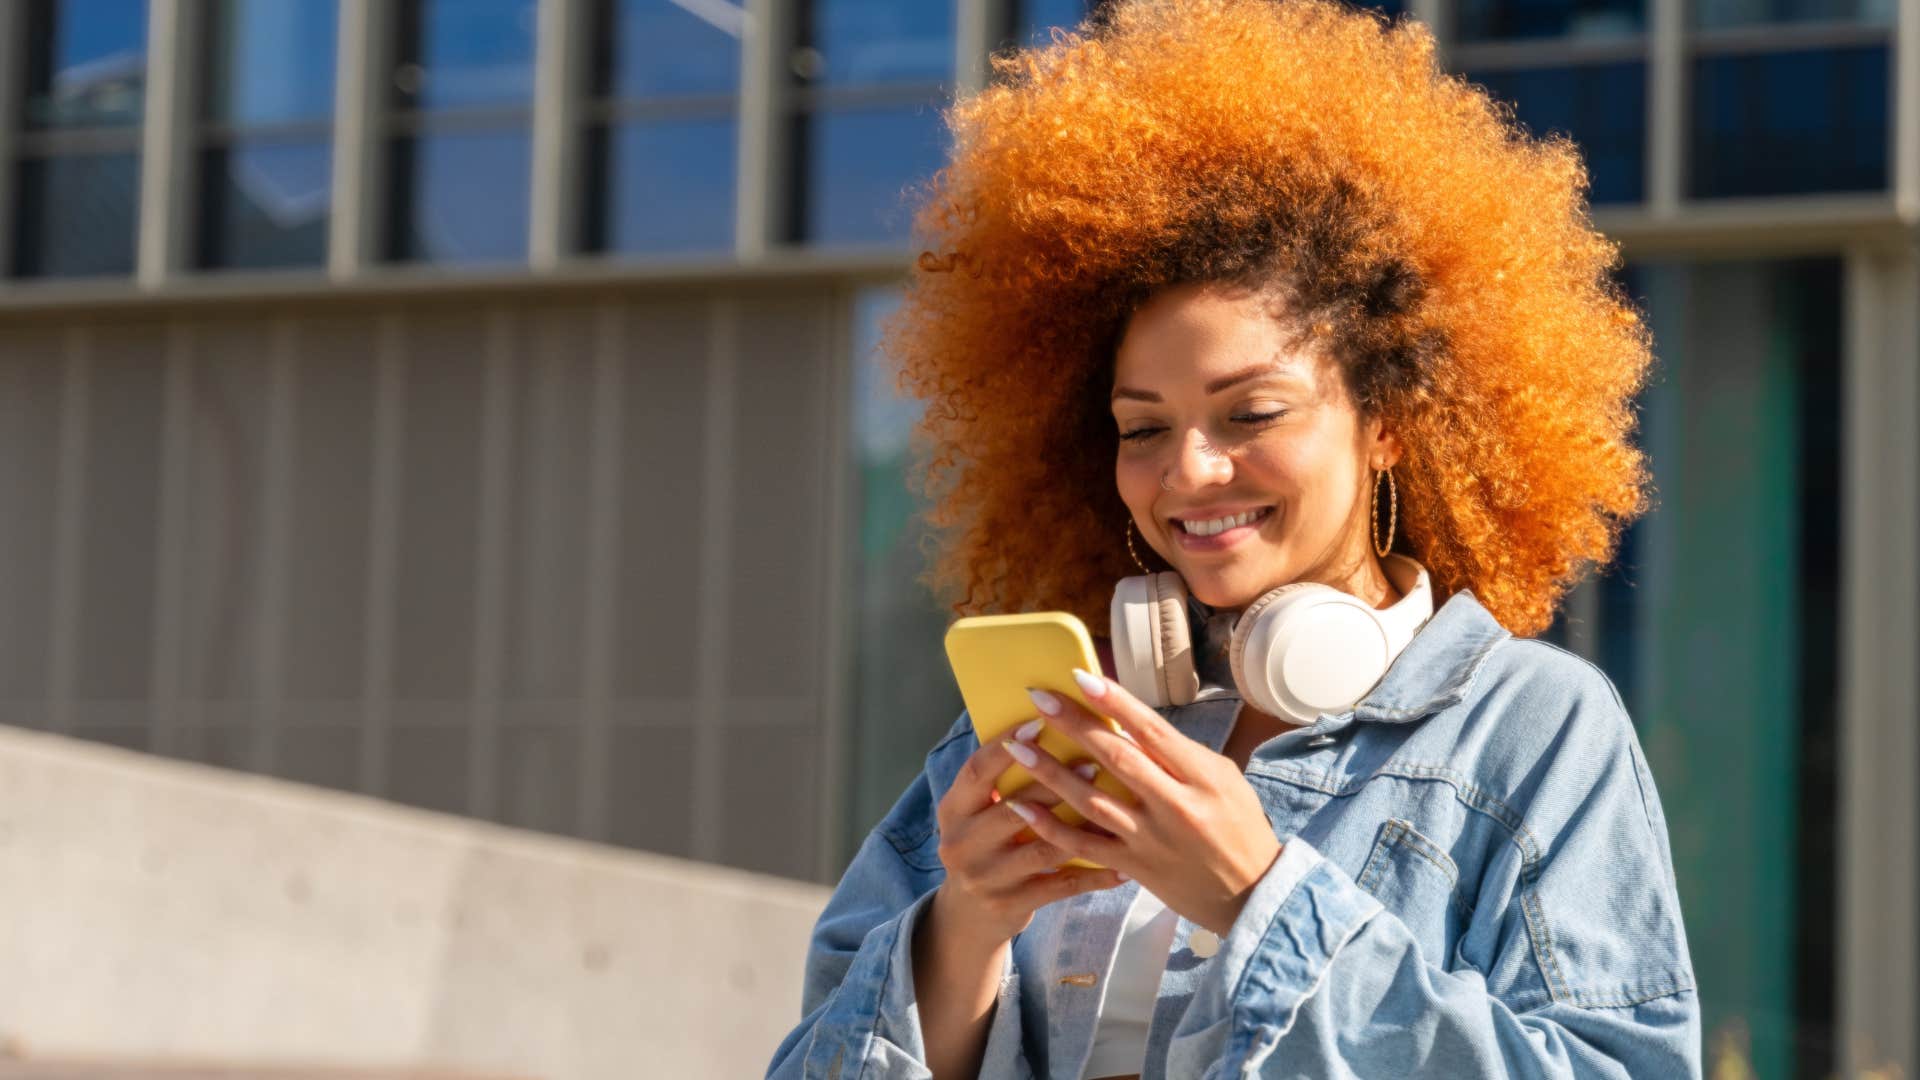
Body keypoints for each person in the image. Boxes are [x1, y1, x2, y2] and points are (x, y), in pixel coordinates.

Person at [766, 0, 1699, 1075]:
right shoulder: (1044, 729)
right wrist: (964, 928)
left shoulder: (1528, 729)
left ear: (1388, 421)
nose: (1190, 471)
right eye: (1142, 429)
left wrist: (1261, 900)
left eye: (1252, 413)